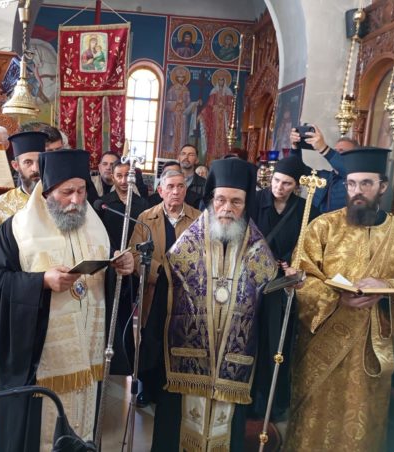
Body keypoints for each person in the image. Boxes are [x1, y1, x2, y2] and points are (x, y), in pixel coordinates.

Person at [0, 149, 135, 451]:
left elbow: (107, 285)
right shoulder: (17, 229)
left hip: (88, 356)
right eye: (67, 192)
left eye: (81, 191)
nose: (76, 200)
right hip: (41, 361)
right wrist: (41, 281)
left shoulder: (97, 227)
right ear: (47, 192)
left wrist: (122, 269)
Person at [283, 147, 394, 452]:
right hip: (320, 350)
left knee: (360, 432)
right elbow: (301, 278)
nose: (357, 191)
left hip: (369, 355)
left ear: (382, 186)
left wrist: (387, 287)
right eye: (351, 184)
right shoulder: (322, 228)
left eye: (366, 183)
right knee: (311, 425)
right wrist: (336, 299)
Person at [140, 158, 278, 451]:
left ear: (246, 204)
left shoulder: (260, 254)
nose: (227, 208)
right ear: (211, 200)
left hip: (234, 371)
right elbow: (161, 311)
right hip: (184, 367)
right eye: (221, 200)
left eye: (236, 202)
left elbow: (268, 320)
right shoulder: (183, 251)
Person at [251, 156, 320, 420]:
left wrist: (295, 263)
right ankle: (248, 399)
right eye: (276, 180)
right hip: (254, 282)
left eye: (287, 183)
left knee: (277, 341)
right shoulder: (255, 201)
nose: (279, 187)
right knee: (252, 339)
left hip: (284, 286)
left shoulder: (307, 209)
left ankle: (272, 402)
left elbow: (312, 245)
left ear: (297, 186)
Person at [128, 168, 201, 407]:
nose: (175, 191)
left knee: (178, 341)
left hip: (185, 295)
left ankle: (174, 389)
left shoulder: (198, 219)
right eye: (170, 187)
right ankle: (147, 388)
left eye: (180, 186)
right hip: (154, 291)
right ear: (160, 191)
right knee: (151, 341)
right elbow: (135, 256)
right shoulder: (146, 218)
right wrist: (160, 271)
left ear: (186, 190)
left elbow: (205, 256)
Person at [0, 131, 47, 308]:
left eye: (40, 161)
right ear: (15, 165)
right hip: (13, 288)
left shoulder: (57, 202)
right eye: (28, 162)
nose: (35, 169)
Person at [290, 124, 358, 213]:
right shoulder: (323, 176)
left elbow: (350, 171)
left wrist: (324, 148)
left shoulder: (357, 181)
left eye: (342, 151)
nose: (336, 154)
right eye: (335, 151)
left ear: (355, 156)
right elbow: (296, 169)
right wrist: (295, 148)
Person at [97, 160, 148, 248]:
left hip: (134, 253)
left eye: (127, 175)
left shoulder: (143, 204)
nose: (124, 181)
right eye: (119, 176)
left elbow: (145, 235)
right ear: (113, 177)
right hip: (109, 252)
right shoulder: (103, 204)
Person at [198, 70, 235, 160]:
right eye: (219, 80)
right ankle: (211, 159)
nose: (221, 82)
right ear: (217, 81)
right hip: (215, 119)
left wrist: (224, 107)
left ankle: (224, 157)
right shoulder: (214, 91)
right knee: (213, 137)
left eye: (222, 80)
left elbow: (231, 107)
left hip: (224, 119)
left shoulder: (228, 92)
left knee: (224, 137)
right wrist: (202, 114)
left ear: (225, 81)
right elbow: (209, 106)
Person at [163, 66, 200, 156]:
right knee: (173, 136)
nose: (181, 79)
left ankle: (181, 153)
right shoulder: (172, 89)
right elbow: (167, 103)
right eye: (179, 77)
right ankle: (171, 153)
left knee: (182, 135)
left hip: (183, 117)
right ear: (176, 78)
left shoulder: (186, 90)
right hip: (173, 116)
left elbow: (188, 104)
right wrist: (176, 103)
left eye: (183, 77)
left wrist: (195, 103)